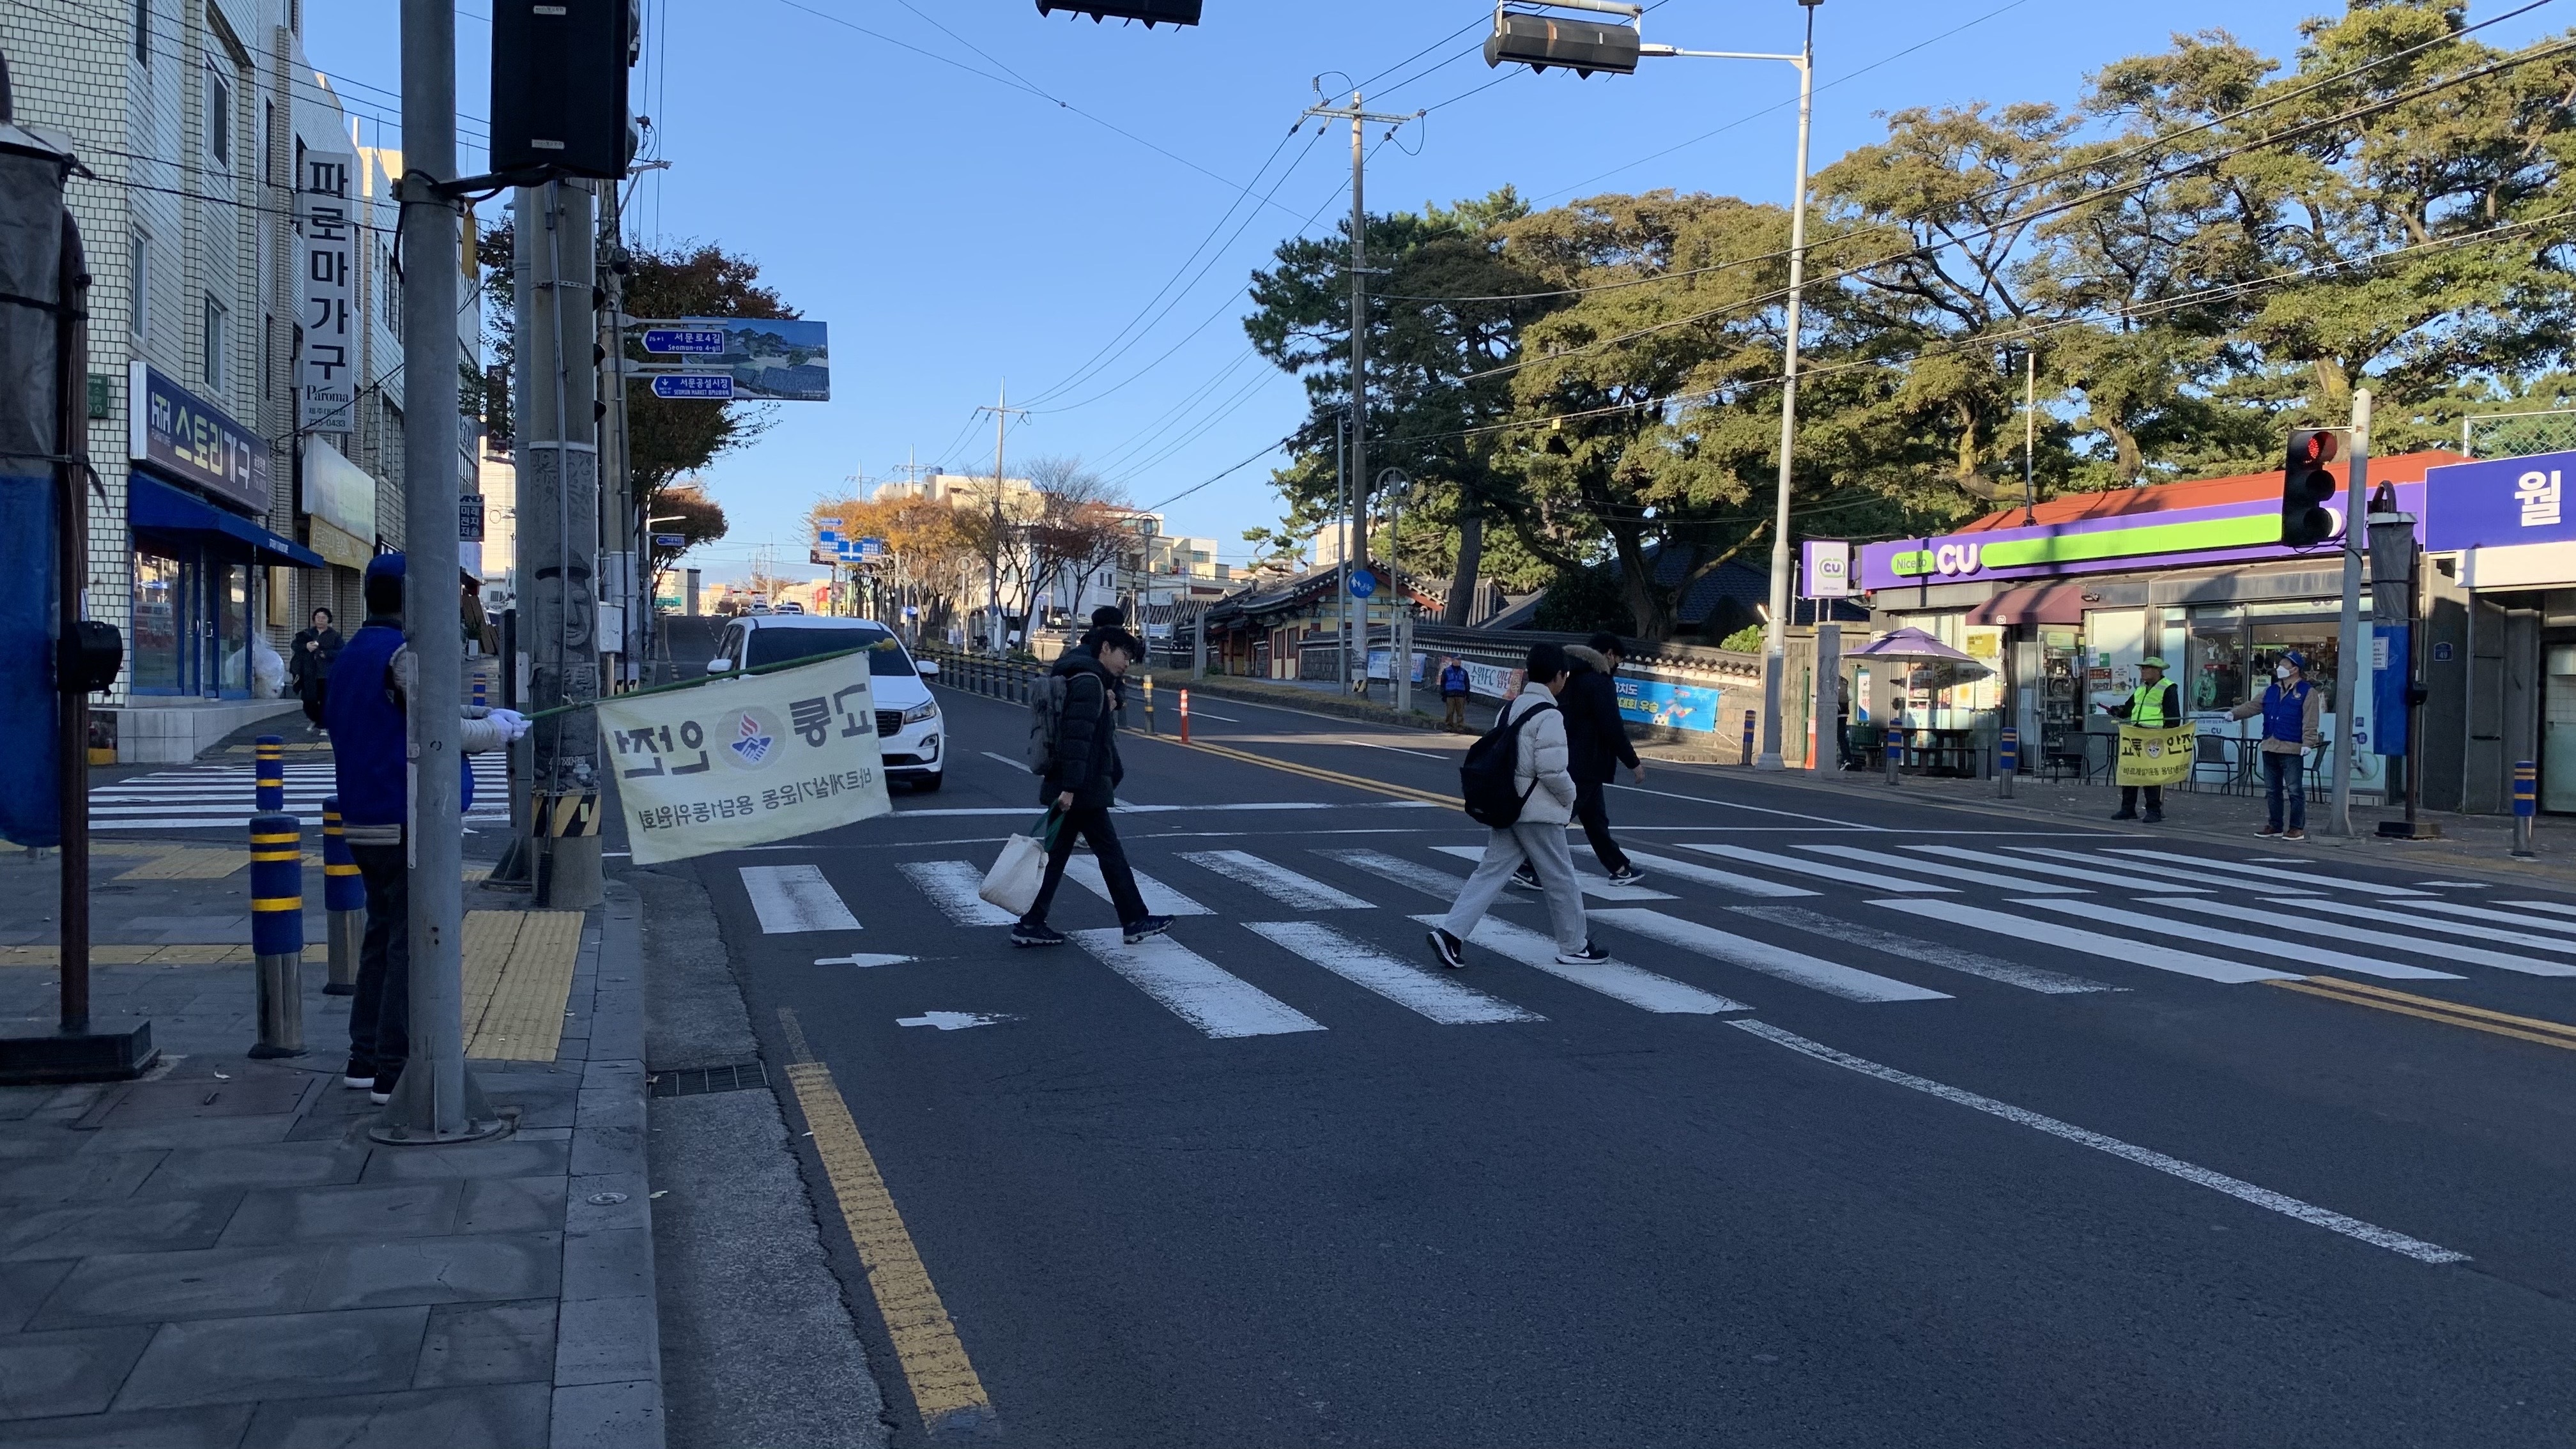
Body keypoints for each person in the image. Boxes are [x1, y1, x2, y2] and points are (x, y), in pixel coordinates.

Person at [330, 555, 528, 1104]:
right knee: (407, 945)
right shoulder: (402, 654)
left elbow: (417, 708)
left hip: (363, 816)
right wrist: (495, 730)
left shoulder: (354, 654)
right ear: (413, 598)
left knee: (381, 935)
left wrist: (487, 716)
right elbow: (438, 728)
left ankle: (364, 1059)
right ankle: (394, 1071)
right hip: (405, 817)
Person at [1426, 643, 1607, 971]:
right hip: (1537, 813)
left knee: (1489, 874)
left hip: (1508, 806)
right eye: (1563, 675)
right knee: (1561, 879)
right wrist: (1570, 796)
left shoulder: (1509, 709)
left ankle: (1450, 933)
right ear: (1558, 677)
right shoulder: (1550, 715)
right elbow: (1551, 770)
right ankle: (1575, 946)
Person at [1011, 627, 1172, 949]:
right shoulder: (1088, 682)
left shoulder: (1082, 674)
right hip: (1080, 788)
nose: (1127, 664)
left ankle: (1031, 921)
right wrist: (1070, 789)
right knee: (1109, 853)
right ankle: (1133, 919)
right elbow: (1077, 739)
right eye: (1124, 656)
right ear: (1106, 648)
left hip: (1077, 785)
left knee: (1058, 857)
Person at [1517, 632, 1645, 889]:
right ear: (1609, 654)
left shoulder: (1565, 675)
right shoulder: (1599, 680)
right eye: (1617, 661)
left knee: (1595, 819)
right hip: (1589, 761)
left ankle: (1619, 867)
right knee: (1559, 816)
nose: (1616, 667)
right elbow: (1612, 726)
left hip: (1564, 755)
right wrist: (1633, 762)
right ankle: (1527, 864)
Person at [2230, 650, 2322, 840]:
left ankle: (2296, 828)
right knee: (2272, 790)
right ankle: (2275, 826)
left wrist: (2308, 743)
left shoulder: (2307, 692)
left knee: (2295, 790)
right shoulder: (2271, 690)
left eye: (2284, 665)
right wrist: (2235, 713)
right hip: (2269, 745)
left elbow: (2310, 720)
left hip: (2292, 747)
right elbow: (2253, 706)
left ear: (2295, 669)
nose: (2279, 668)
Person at [2104, 654, 2183, 823]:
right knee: (2130, 773)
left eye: (2145, 668)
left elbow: (2173, 718)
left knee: (2151, 776)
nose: (2142, 671)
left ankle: (2154, 811)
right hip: (2135, 736)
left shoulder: (2168, 688)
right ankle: (2128, 809)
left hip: (2154, 738)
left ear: (2157, 671)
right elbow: (2130, 708)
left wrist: (2166, 737)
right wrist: (2118, 711)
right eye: (2142, 668)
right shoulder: (2141, 689)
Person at [286, 606, 341, 733]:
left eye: (323, 618)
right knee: (308, 700)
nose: (320, 620)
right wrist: (306, 646)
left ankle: (322, 725)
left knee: (324, 700)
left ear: (329, 620)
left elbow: (341, 652)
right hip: (309, 673)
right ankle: (316, 720)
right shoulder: (307, 633)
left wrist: (326, 654)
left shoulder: (335, 636)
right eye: (318, 618)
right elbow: (294, 645)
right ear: (314, 619)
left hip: (326, 674)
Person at [1439, 656, 1471, 732]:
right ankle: (1449, 726)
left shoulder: (1464, 672)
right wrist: (1443, 694)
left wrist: (1468, 695)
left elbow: (1467, 684)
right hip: (1450, 694)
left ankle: (1460, 727)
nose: (1459, 661)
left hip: (1461, 695)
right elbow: (1443, 683)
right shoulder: (1446, 671)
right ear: (1453, 661)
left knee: (1460, 713)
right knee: (1450, 712)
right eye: (1458, 660)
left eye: (1460, 660)